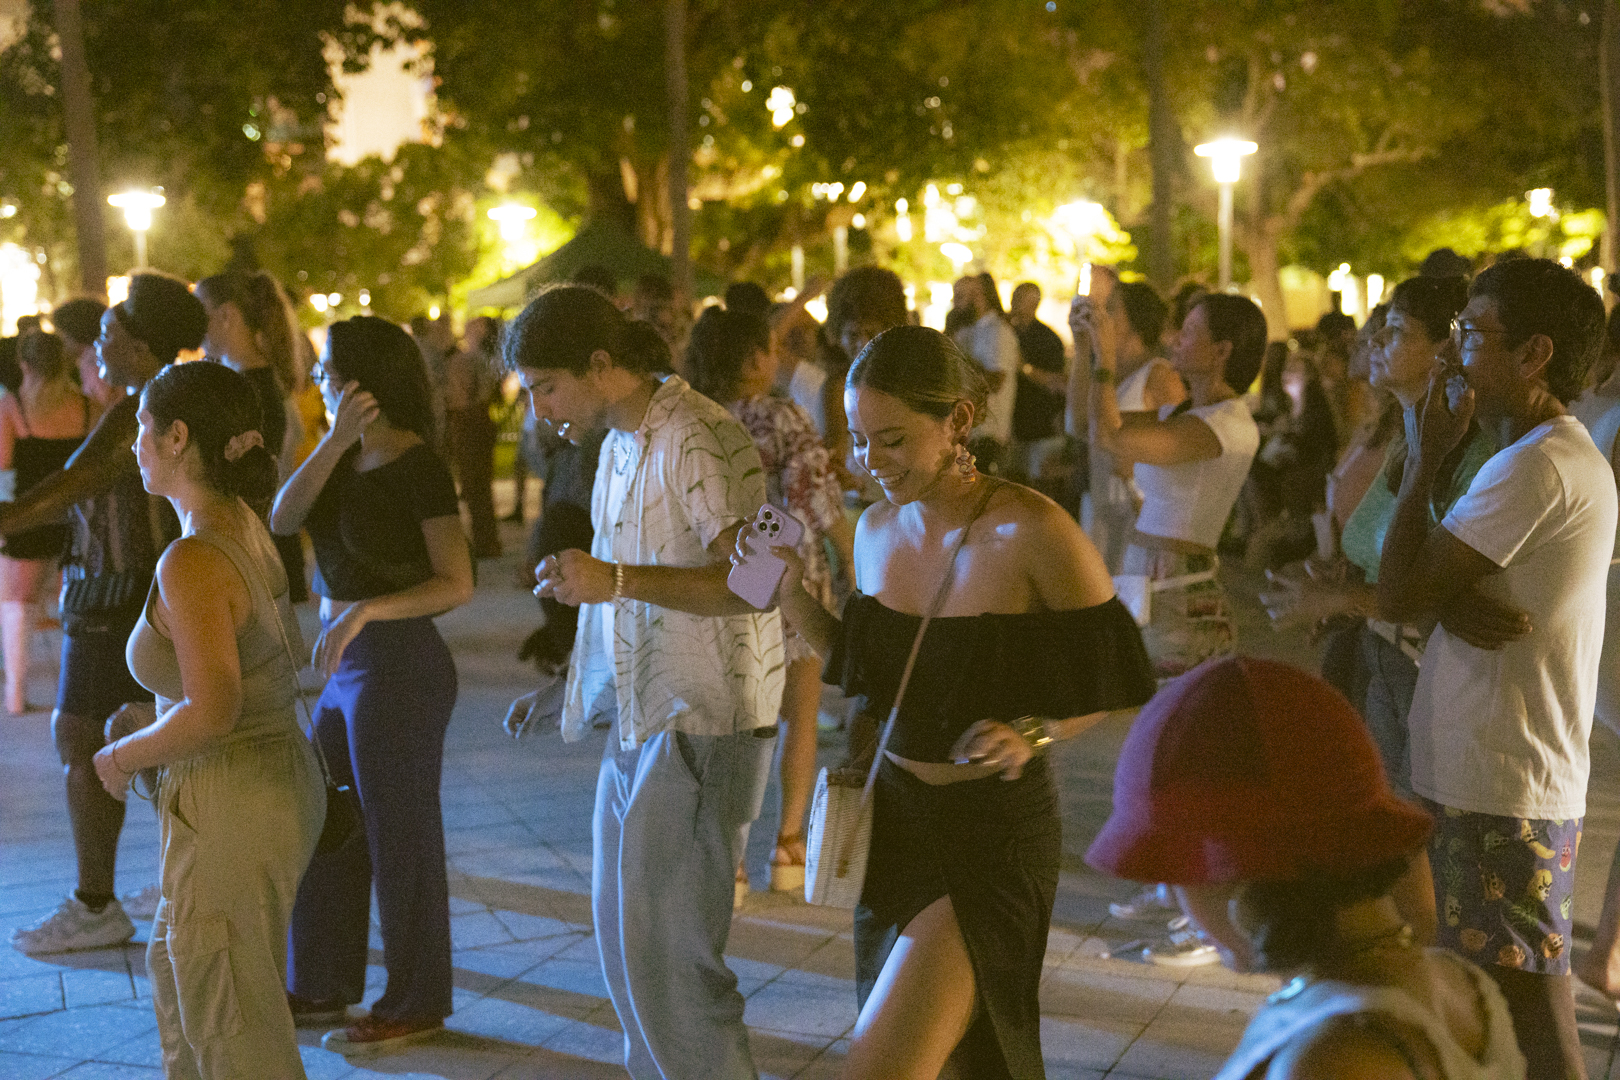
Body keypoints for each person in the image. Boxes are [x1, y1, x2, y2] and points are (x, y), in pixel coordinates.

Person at [764, 325, 1154, 1078]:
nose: (873, 463)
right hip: (895, 830)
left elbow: (1111, 681)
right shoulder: (875, 530)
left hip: (993, 840)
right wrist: (788, 592)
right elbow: (868, 673)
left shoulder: (1033, 528)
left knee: (882, 1065)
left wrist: (1030, 734)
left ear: (958, 424)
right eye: (860, 440)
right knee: (960, 1067)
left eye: (893, 439)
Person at [506, 285, 785, 1080]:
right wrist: (569, 677)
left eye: (545, 386)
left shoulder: (700, 433)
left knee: (676, 965)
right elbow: (619, 587)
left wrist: (615, 577)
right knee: (629, 952)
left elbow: (760, 581)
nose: (538, 410)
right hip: (644, 716)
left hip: (705, 718)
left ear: (602, 365)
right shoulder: (621, 442)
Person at [1376, 258, 1613, 1078]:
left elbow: (1397, 588)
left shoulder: (1535, 465)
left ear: (1535, 353)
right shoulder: (1542, 457)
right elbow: (1429, 591)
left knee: (1532, 1006)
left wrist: (1423, 448)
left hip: (1503, 778)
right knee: (1495, 993)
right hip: (1499, 769)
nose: (1451, 354)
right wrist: (1444, 600)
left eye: (1472, 334)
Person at [1087, 656, 1525, 1080]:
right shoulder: (1459, 983)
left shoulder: (1339, 1062)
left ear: (1243, 870)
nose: (1167, 894)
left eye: (1182, 869)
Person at [90, 360, 323, 1079]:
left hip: (233, 796)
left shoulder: (192, 557)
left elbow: (214, 711)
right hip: (265, 777)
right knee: (180, 973)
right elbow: (235, 671)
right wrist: (152, 712)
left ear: (178, 437)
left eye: (142, 430)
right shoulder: (241, 525)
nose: (135, 444)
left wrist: (124, 756)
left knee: (233, 1024)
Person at [273, 316, 474, 1053]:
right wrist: (331, 440)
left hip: (399, 662)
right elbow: (282, 516)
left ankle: (416, 998)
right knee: (323, 819)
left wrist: (366, 610)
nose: (320, 380)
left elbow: (457, 582)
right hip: (343, 664)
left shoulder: (417, 464)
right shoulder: (336, 455)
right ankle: (320, 981)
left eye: (330, 370)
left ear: (367, 381)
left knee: (401, 835)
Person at [6, 273, 199, 954]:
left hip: (121, 600)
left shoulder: (140, 408)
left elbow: (76, 484)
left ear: (142, 345)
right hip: (122, 597)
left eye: (111, 331)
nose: (98, 342)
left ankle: (97, 903)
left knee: (85, 738)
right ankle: (167, 886)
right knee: (127, 741)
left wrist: (10, 515)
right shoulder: (149, 400)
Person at [685, 306, 851, 898]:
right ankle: (788, 849)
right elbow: (817, 504)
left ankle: (729, 858)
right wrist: (852, 565)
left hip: (717, 583)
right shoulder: (784, 416)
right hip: (789, 581)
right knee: (798, 718)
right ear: (756, 358)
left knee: (735, 722)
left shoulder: (694, 419)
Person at [1076, 274, 1264, 680]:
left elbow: (1111, 437)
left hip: (1179, 590)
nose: (1177, 337)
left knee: (1168, 716)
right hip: (1148, 575)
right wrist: (1083, 350)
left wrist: (1105, 362)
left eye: (1191, 331)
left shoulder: (1227, 425)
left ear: (1222, 351)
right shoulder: (1182, 416)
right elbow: (1087, 426)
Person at [196, 271, 309, 599]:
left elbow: (249, 483)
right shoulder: (256, 382)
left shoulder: (249, 390)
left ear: (226, 315)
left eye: (198, 312)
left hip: (252, 556)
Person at [0, 332, 89, 713]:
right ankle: (76, 688)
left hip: (31, 514)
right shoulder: (86, 406)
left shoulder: (13, 406)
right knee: (74, 602)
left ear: (24, 364)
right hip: (76, 516)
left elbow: (3, 465)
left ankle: (16, 693)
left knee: (17, 602)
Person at [1074, 277, 1185, 573]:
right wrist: (1083, 348)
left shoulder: (1160, 376)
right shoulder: (1107, 372)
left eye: (1111, 309)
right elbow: (1079, 426)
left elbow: (1175, 455)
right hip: (1101, 510)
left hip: (1136, 516)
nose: (1101, 316)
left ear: (1135, 321)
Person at [444, 315, 503, 558]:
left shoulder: (466, 360)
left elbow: (464, 394)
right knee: (479, 485)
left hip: (468, 421)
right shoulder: (486, 360)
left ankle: (485, 542)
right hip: (478, 420)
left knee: (474, 484)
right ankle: (487, 540)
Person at [949, 273, 1018, 473]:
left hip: (987, 437)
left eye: (961, 296)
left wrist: (961, 355)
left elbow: (996, 382)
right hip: (966, 434)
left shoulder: (998, 332)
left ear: (979, 297)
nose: (955, 302)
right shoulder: (968, 330)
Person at [1007, 282, 1068, 492]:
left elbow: (1057, 381)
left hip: (1040, 425)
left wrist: (1024, 367)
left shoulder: (1048, 339)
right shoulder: (1007, 331)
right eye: (1013, 298)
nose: (1013, 304)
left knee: (1036, 487)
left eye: (1019, 299)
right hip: (1014, 424)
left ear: (1034, 304)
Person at [51, 297, 115, 419]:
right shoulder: (101, 355)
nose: (60, 342)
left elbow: (101, 407)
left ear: (74, 332)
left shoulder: (92, 363)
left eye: (60, 334)